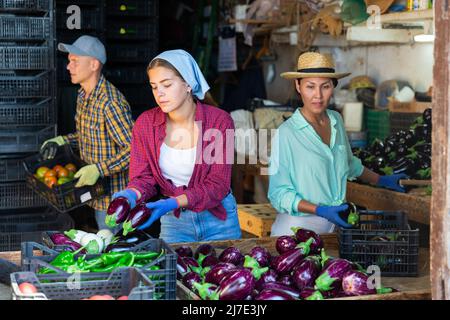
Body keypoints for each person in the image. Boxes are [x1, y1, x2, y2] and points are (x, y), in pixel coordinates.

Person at [268, 52, 406, 236]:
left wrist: (381, 180)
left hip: (334, 229)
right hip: (297, 231)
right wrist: (320, 210)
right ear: (298, 86)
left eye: (325, 86)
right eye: (310, 86)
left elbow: (349, 164)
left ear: (333, 86)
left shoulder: (336, 121)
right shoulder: (286, 134)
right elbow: (278, 194)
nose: (318, 95)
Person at [112, 49, 241, 243]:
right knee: (175, 272)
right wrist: (131, 194)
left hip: (219, 220)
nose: (160, 93)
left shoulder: (219, 122)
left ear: (188, 83)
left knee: (223, 271)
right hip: (175, 221)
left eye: (167, 85)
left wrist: (172, 202)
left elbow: (218, 185)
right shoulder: (146, 124)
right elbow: (143, 178)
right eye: (154, 87)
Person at [40, 35, 134, 232]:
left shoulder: (110, 103)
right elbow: (89, 135)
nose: (68, 66)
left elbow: (135, 149)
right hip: (95, 195)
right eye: (69, 61)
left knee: (113, 252)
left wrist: (99, 169)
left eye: (75, 61)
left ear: (93, 64)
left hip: (114, 199)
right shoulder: (83, 95)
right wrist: (61, 140)